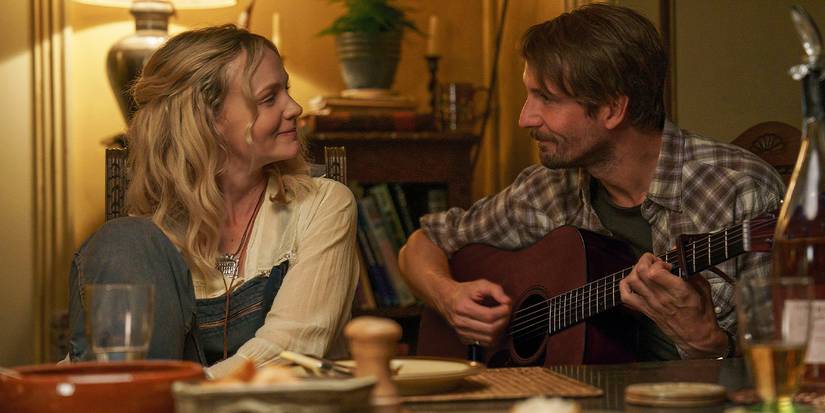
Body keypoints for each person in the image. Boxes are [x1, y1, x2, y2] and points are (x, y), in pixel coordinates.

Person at [399, 4, 785, 361]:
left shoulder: (740, 191)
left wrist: (707, 344)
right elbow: (421, 245)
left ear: (612, 109)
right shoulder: (544, 189)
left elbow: (790, 372)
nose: (525, 118)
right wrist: (449, 297)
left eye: (545, 98)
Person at [67, 25, 359, 378]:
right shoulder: (145, 240)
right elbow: (105, 360)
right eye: (269, 98)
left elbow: (289, 350)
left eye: (287, 90)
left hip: (279, 404)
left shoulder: (323, 204)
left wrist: (173, 393)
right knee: (123, 238)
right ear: (208, 120)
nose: (295, 108)